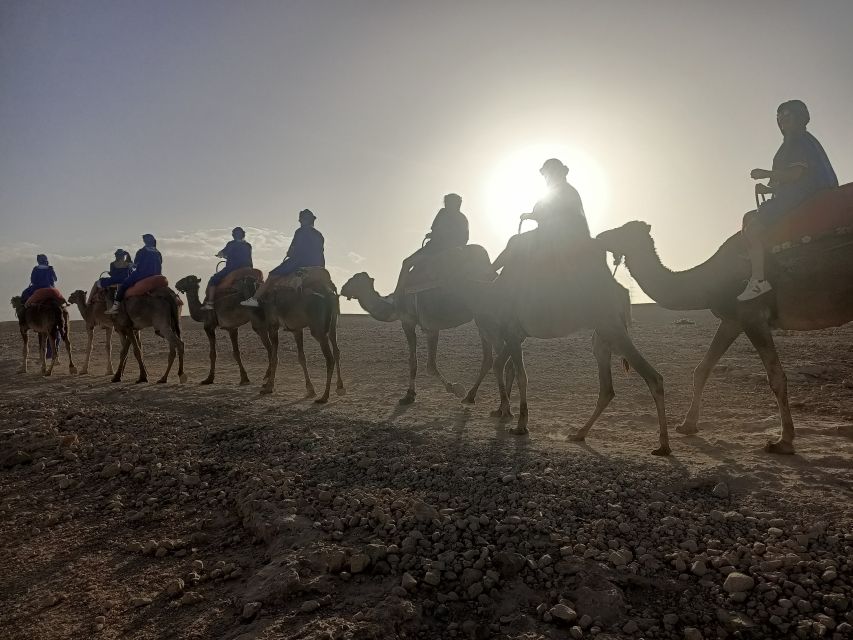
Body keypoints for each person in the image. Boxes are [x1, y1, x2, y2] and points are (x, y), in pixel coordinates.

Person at [738, 100, 838, 301]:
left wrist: (764, 173)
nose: (782, 119)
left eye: (787, 115)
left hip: (803, 196)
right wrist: (766, 187)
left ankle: (758, 281)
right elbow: (784, 180)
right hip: (801, 194)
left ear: (799, 117)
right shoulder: (798, 142)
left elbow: (795, 175)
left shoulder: (798, 141)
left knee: (753, 230)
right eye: (779, 116)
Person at [493, 158, 590, 272]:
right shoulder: (565, 190)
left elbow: (548, 212)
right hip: (561, 235)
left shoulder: (562, 190)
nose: (546, 178)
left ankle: (490, 272)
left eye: (547, 175)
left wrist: (530, 215)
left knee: (515, 242)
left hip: (560, 237)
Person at [392, 193, 470, 300]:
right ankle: (399, 293)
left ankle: (397, 295)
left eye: (450, 203)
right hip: (433, 247)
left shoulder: (461, 219)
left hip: (440, 250)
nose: (447, 205)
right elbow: (435, 230)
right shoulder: (444, 214)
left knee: (407, 263)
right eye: (447, 203)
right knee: (407, 263)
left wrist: (445, 240)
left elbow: (463, 239)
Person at [241, 209, 325, 307]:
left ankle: (255, 299)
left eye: (301, 220)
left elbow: (292, 250)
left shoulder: (300, 231)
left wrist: (289, 253)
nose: (300, 222)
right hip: (319, 264)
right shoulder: (319, 235)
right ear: (312, 221)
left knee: (272, 276)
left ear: (303, 220)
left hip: (300, 262)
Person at [106, 234, 163, 314]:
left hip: (143, 275)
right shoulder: (158, 253)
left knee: (123, 286)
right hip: (158, 275)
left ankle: (115, 307)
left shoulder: (142, 251)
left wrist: (130, 265)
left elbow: (135, 265)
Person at [201, 227, 253, 310]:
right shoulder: (248, 245)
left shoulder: (231, 244)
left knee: (213, 280)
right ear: (243, 234)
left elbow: (223, 253)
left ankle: (210, 303)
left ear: (233, 235)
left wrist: (220, 255)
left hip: (233, 268)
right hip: (248, 268)